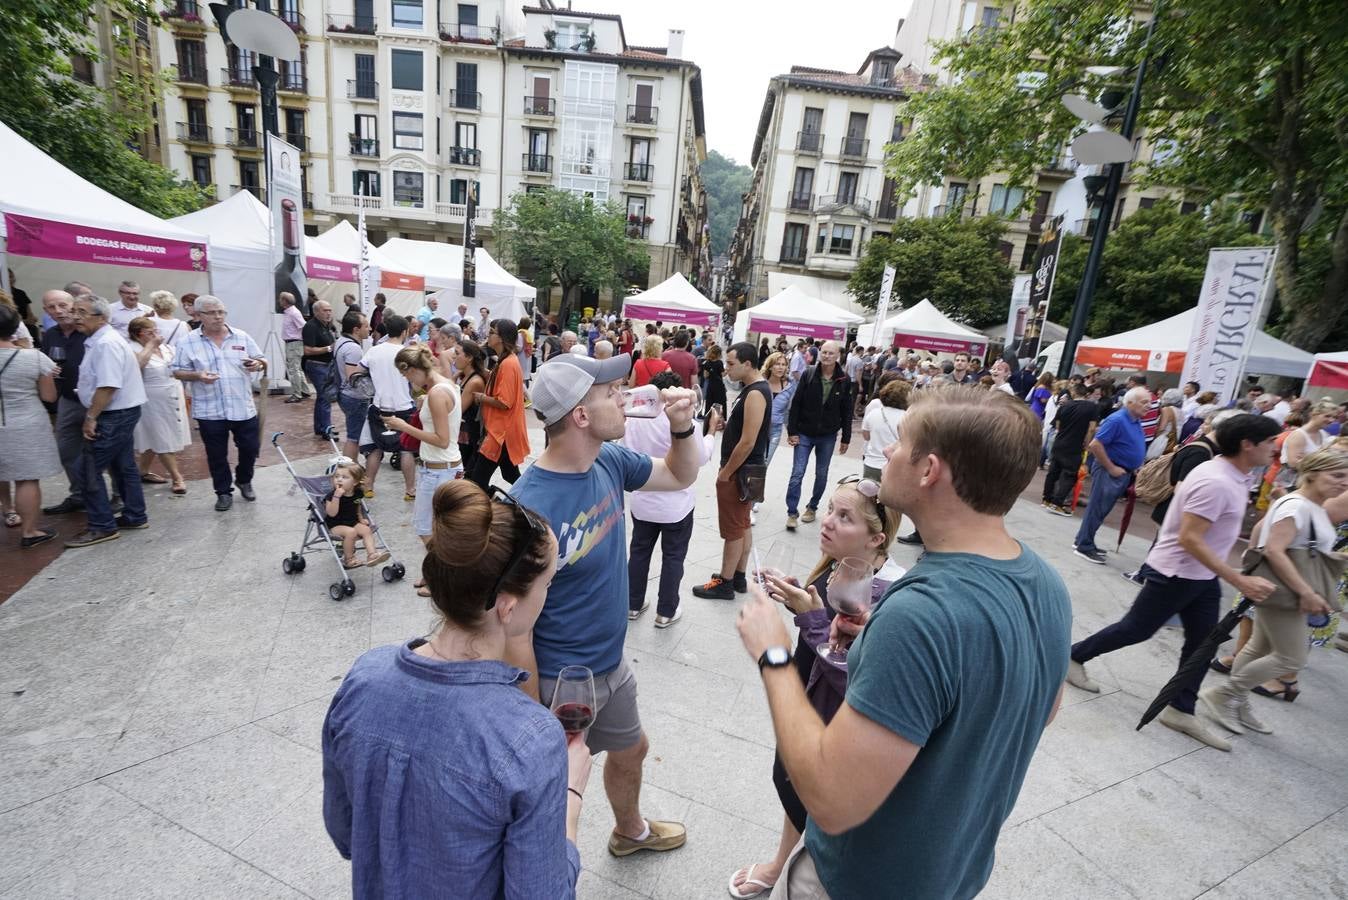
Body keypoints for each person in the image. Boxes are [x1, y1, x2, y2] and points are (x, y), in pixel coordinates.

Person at [735, 385, 1071, 898]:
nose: (887, 450)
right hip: (951, 872)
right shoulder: (1046, 584)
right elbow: (1040, 709)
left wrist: (774, 652)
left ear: (929, 470)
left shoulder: (921, 614)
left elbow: (829, 797)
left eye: (901, 441)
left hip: (860, 880)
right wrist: (882, 644)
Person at [323, 479, 592, 899]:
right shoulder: (529, 739)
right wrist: (570, 798)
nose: (547, 597)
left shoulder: (362, 679)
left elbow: (345, 833)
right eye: (547, 585)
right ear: (507, 604)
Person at [508, 353, 699, 858]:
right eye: (609, 392)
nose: (623, 396)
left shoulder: (609, 461)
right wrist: (529, 714)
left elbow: (679, 477)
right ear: (581, 416)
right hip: (557, 680)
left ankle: (629, 830)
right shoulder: (528, 508)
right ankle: (539, 879)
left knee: (632, 748)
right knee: (549, 789)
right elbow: (513, 630)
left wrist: (682, 429)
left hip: (610, 664)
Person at [1067, 414, 1283, 751]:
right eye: (1271, 442)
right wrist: (1238, 579)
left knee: (1203, 643)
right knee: (1136, 628)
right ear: (1247, 444)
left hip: (1200, 574)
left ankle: (1181, 709)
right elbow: (1189, 538)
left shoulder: (1233, 475)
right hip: (1177, 572)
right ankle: (1073, 657)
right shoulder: (1216, 480)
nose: (1275, 448)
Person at [728, 476, 901, 898]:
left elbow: (857, 675)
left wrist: (810, 620)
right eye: (828, 510)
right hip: (809, 697)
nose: (827, 522)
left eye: (844, 518)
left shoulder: (886, 596)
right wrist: (797, 597)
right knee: (789, 779)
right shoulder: (839, 564)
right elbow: (822, 628)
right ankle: (781, 861)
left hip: (834, 721)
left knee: (803, 788)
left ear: (876, 539)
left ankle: (797, 871)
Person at [1199, 447, 1348, 737]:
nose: (1344, 483)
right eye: (1338, 475)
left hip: (1284, 589)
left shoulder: (1312, 505)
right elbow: (1274, 550)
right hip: (1283, 591)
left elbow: (1295, 546)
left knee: (1259, 647)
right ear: (1314, 474)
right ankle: (1224, 693)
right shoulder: (1298, 506)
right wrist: (1306, 592)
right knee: (1292, 658)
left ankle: (1237, 701)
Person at [624, 370, 719, 627]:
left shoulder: (635, 418)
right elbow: (700, 457)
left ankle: (632, 604)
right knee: (673, 557)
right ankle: (666, 610)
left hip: (643, 499)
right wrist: (711, 433)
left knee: (639, 552)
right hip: (676, 503)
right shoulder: (684, 421)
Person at [66, 294, 149, 546]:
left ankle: (102, 525)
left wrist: (91, 417)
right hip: (120, 413)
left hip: (114, 415)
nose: (76, 317)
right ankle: (135, 515)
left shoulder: (105, 343)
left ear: (101, 317)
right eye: (75, 311)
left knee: (86, 469)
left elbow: (108, 385)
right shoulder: (101, 340)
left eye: (82, 312)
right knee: (123, 466)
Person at [171, 295, 266, 512]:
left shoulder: (241, 336)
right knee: (216, 455)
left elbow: (262, 359)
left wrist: (257, 364)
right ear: (198, 315)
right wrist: (197, 375)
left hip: (243, 406)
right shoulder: (188, 342)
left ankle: (244, 479)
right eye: (212, 312)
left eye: (221, 312)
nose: (218, 316)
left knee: (250, 448)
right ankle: (223, 492)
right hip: (209, 409)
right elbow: (176, 370)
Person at [694, 343, 770, 601]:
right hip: (746, 469)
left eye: (731, 363)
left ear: (747, 364)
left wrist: (726, 471)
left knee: (734, 529)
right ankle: (737, 576)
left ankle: (725, 582)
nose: (727, 368)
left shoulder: (756, 392)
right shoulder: (752, 390)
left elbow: (748, 441)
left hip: (741, 470)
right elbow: (747, 432)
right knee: (742, 523)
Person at [381, 346, 463, 571]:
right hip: (444, 466)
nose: (406, 380)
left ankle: (442, 575)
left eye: (406, 374)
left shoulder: (437, 393)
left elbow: (441, 439)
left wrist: (404, 426)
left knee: (425, 528)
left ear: (415, 369)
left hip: (439, 469)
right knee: (437, 528)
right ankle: (437, 575)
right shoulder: (444, 385)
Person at [0, 303, 62, 547]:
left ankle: (8, 510)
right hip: (27, 423)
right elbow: (49, 397)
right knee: (27, 479)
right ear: (16, 327)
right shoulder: (34, 357)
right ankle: (29, 531)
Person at [1072, 386, 1151, 563]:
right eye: (1144, 402)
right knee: (1097, 508)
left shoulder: (1133, 420)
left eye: (1150, 403)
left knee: (1100, 509)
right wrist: (1111, 468)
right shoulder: (1117, 420)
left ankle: (1084, 541)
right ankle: (1084, 545)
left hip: (1120, 471)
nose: (1149, 406)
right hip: (1111, 471)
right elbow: (1095, 445)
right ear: (1130, 403)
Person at [785, 341, 852, 531]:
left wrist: (846, 437)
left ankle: (812, 507)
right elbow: (796, 404)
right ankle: (791, 512)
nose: (827, 356)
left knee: (821, 473)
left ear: (838, 356)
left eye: (831, 353)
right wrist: (792, 431)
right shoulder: (809, 373)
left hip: (827, 435)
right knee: (797, 472)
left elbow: (847, 411)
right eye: (824, 352)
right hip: (804, 433)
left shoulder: (844, 379)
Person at [39, 290, 88, 515]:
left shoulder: (89, 332)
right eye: (51, 307)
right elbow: (45, 361)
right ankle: (79, 494)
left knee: (105, 450)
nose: (58, 311)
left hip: (94, 400)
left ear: (73, 305)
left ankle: (118, 496)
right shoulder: (50, 334)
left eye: (62, 305)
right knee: (66, 449)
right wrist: (49, 369)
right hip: (67, 398)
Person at [358, 314, 418, 500]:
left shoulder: (374, 351)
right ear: (404, 331)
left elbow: (359, 372)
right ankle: (410, 490)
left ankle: (368, 486)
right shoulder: (407, 353)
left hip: (379, 406)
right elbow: (416, 383)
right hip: (404, 406)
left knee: (376, 448)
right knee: (406, 450)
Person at [127, 317, 188, 495]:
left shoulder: (167, 348)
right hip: (151, 399)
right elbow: (136, 367)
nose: (155, 335)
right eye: (149, 332)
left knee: (154, 437)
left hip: (173, 394)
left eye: (156, 331)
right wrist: (151, 345)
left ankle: (142, 471)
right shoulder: (133, 349)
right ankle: (177, 477)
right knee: (162, 437)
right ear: (138, 335)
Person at [470, 318, 530, 488]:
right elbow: (498, 383)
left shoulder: (508, 364)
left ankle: (486, 509)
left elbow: (505, 402)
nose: (488, 335)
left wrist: (481, 397)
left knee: (478, 481)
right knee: (511, 475)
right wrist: (481, 369)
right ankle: (530, 504)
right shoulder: (505, 360)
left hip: (501, 433)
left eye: (491, 332)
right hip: (503, 431)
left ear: (501, 337)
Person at [1042, 381, 1100, 515]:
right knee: (1069, 474)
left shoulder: (1064, 406)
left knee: (1053, 472)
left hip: (1059, 441)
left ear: (1073, 393)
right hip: (1075, 444)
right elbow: (1091, 428)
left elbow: (1057, 425)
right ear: (1086, 394)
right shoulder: (1091, 407)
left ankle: (1046, 499)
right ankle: (1057, 503)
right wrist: (1087, 443)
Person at [322, 461, 390, 569]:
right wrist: (336, 497)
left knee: (366, 530)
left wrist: (361, 518)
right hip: (335, 525)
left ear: (355, 482)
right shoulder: (331, 495)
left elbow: (357, 506)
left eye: (344, 477)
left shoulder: (358, 493)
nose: (339, 479)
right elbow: (331, 513)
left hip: (352, 521)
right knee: (351, 532)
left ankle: (372, 554)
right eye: (336, 476)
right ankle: (349, 559)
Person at [332, 310, 372, 465]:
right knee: (354, 437)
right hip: (354, 397)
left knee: (353, 434)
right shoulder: (354, 348)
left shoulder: (341, 341)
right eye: (366, 326)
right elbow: (353, 377)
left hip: (345, 394)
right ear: (356, 329)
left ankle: (350, 466)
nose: (369, 329)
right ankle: (349, 468)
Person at [861, 380, 909, 482]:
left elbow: (866, 436)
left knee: (869, 494)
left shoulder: (874, 413)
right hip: (894, 465)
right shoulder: (908, 417)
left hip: (871, 463)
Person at [302, 300, 337, 437]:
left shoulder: (326, 325)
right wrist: (329, 348)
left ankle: (321, 427)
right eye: (325, 310)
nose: (328, 313)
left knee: (322, 397)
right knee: (325, 397)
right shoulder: (311, 326)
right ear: (316, 312)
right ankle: (326, 429)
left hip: (326, 366)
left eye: (330, 310)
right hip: (317, 366)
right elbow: (307, 350)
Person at [456, 340, 489, 474]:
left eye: (457, 353)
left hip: (469, 436)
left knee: (468, 476)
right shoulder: (466, 376)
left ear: (469, 358)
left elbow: (458, 410)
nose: (454, 356)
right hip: (464, 433)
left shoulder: (474, 381)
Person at [761, 352, 796, 467]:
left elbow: (789, 411)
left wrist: (791, 432)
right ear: (770, 366)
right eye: (777, 364)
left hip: (775, 430)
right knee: (753, 464)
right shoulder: (761, 383)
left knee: (764, 465)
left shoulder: (790, 386)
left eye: (784, 364)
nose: (781, 367)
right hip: (758, 427)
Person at [280, 292, 311, 403]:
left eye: (281, 299)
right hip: (293, 343)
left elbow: (304, 326)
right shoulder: (290, 312)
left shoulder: (293, 313)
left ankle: (297, 394)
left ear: (284, 301)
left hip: (294, 343)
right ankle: (304, 391)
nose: (279, 301)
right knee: (297, 369)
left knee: (293, 369)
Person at [699, 343, 726, 418]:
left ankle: (708, 417)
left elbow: (705, 375)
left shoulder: (706, 363)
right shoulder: (719, 363)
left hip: (710, 385)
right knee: (719, 402)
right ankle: (718, 417)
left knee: (709, 402)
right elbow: (723, 374)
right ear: (719, 354)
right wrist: (727, 370)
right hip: (719, 385)